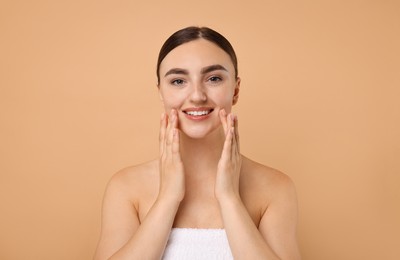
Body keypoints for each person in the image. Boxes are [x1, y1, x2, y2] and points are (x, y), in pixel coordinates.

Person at [94, 26, 301, 260]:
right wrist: (168, 198)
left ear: (235, 89)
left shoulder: (274, 188)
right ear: (160, 91)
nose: (197, 96)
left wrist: (229, 197)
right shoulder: (126, 187)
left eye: (213, 79)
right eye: (178, 81)